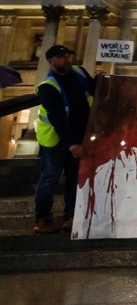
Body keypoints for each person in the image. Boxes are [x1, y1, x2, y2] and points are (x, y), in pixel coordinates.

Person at [33, 45, 94, 234]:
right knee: (50, 178)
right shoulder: (47, 87)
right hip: (55, 140)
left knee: (74, 178)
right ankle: (42, 218)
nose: (68, 59)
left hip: (79, 134)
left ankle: (71, 216)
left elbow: (95, 89)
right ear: (51, 62)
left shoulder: (80, 73)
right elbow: (57, 118)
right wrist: (71, 144)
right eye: (63, 57)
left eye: (69, 55)